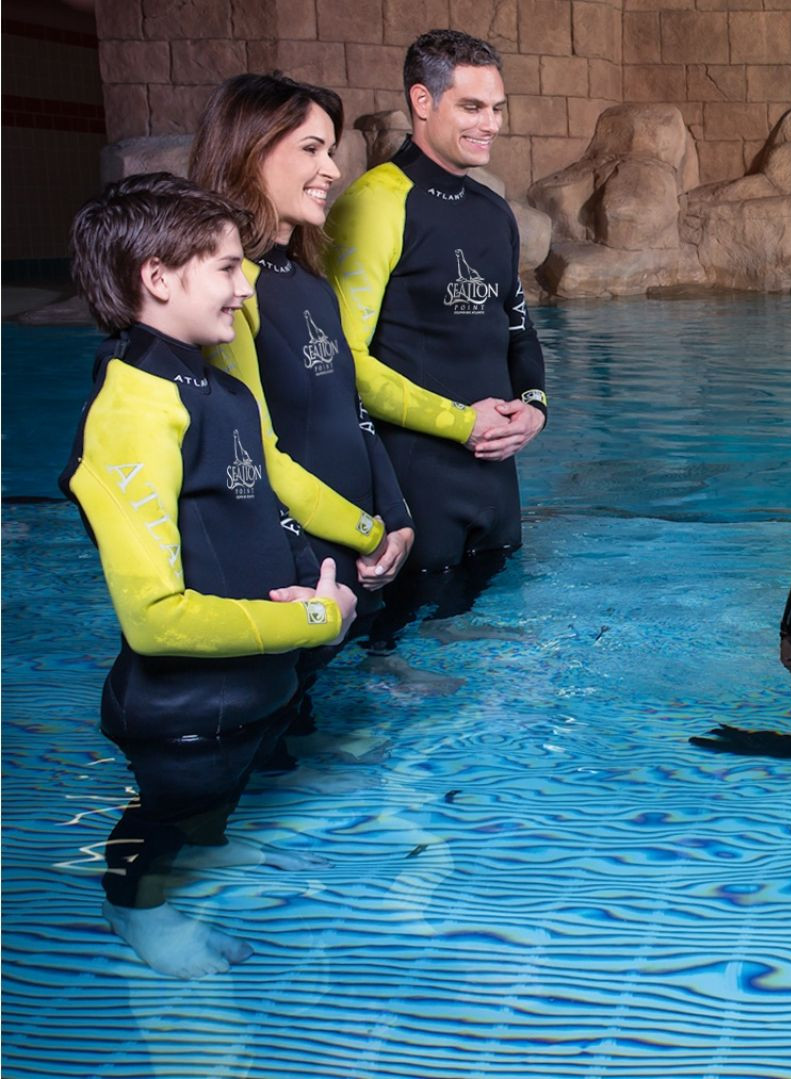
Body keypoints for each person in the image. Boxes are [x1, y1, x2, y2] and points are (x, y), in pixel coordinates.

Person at [60, 174, 374, 977]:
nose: (245, 288)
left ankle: (195, 863)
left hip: (249, 684)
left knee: (214, 806)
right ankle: (134, 906)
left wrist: (371, 531)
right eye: (227, 269)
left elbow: (274, 477)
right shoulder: (132, 408)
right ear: (158, 278)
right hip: (183, 707)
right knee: (167, 817)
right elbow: (154, 617)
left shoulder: (217, 384)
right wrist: (316, 620)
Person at [188, 72, 415, 757]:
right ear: (252, 151)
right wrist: (365, 530)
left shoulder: (309, 281)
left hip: (354, 560)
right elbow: (255, 457)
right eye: (313, 149)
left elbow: (353, 412)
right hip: (298, 571)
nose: (333, 169)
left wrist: (397, 520)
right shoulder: (232, 292)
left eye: (332, 149)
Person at [325, 29, 547, 653]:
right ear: (423, 102)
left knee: (491, 630)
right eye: (472, 107)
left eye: (497, 107)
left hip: (496, 475)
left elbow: (517, 324)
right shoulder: (374, 204)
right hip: (415, 476)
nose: (492, 124)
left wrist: (534, 407)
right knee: (400, 640)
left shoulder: (492, 211)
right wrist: (459, 424)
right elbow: (345, 363)